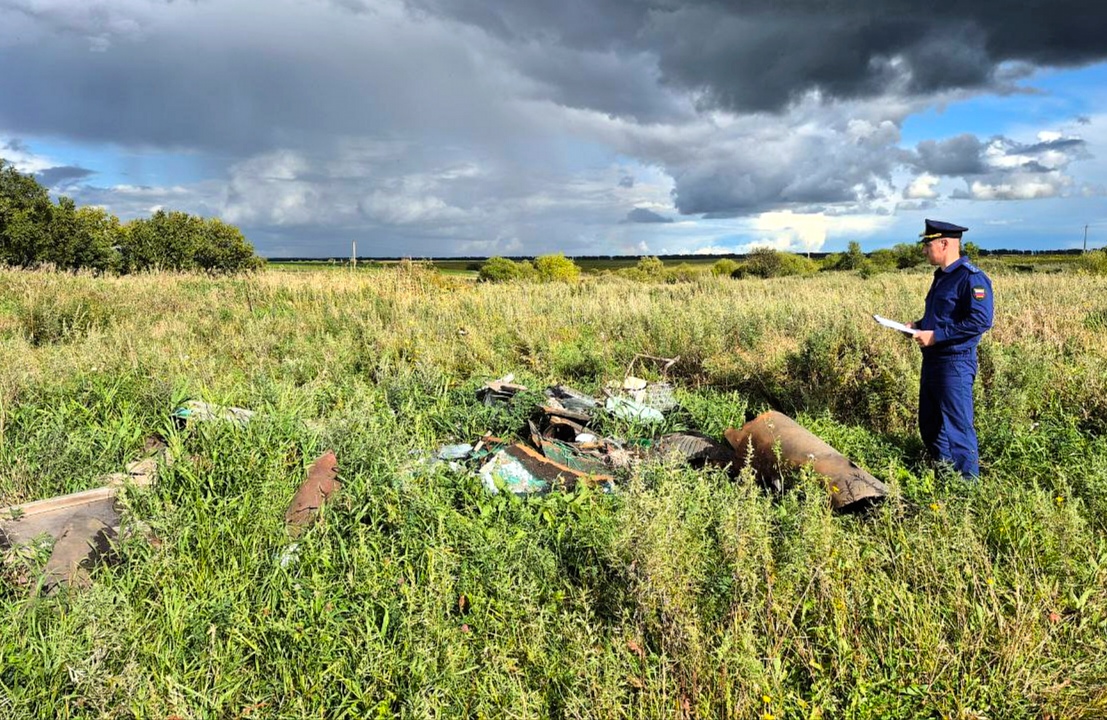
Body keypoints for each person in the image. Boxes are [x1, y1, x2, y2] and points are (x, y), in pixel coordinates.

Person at [906, 219, 994, 480]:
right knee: (930, 425)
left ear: (944, 243)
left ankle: (967, 486)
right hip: (933, 361)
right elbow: (942, 318)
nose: (924, 250)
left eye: (927, 244)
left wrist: (936, 336)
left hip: (955, 362)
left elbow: (980, 321)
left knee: (958, 427)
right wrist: (917, 326)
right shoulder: (941, 277)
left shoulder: (971, 278)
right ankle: (946, 476)